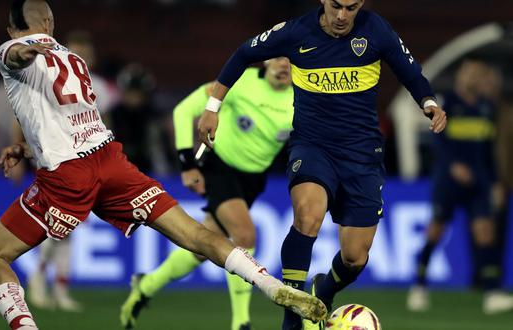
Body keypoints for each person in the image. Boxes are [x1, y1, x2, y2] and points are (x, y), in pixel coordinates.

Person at [0, 1, 325, 329]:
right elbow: (74, 126)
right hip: (111, 161)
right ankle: (269, 283)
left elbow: (17, 56)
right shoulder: (74, 60)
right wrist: (26, 147)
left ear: (10, 29)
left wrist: (23, 51)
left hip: (70, 174)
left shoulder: (10, 51)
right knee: (197, 235)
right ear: (50, 23)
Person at [196, 1, 447, 329]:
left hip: (362, 155)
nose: (343, 16)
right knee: (308, 215)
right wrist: (213, 107)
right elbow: (243, 54)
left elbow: (409, 69)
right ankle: (293, 316)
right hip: (313, 147)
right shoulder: (296, 32)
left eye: (352, 7)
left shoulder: (376, 30)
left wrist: (428, 102)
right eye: (336, 6)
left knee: (355, 258)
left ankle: (324, 289)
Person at [120, 57, 294, 330]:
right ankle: (241, 322)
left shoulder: (303, 97)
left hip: (253, 178)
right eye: (279, 57)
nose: (285, 64)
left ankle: (147, 284)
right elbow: (183, 111)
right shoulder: (240, 81)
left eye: (292, 59)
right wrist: (187, 164)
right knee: (245, 234)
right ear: (267, 60)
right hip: (218, 167)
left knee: (205, 245)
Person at [406, 59, 513, 314]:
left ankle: (491, 293)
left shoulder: (486, 108)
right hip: (449, 182)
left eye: (477, 74)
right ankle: (419, 286)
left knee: (485, 232)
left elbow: (489, 151)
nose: (473, 78)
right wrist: (452, 164)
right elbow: (437, 142)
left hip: (479, 182)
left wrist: (497, 181)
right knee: (436, 232)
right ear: (461, 78)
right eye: (470, 74)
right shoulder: (449, 105)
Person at [25, 29, 114, 313]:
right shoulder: (46, 75)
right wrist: (18, 144)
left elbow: (105, 123)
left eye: (85, 51)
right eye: (76, 49)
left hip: (89, 163)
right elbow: (25, 112)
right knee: (60, 224)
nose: (81, 55)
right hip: (59, 159)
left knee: (69, 228)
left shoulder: (99, 84)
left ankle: (60, 290)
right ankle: (37, 278)